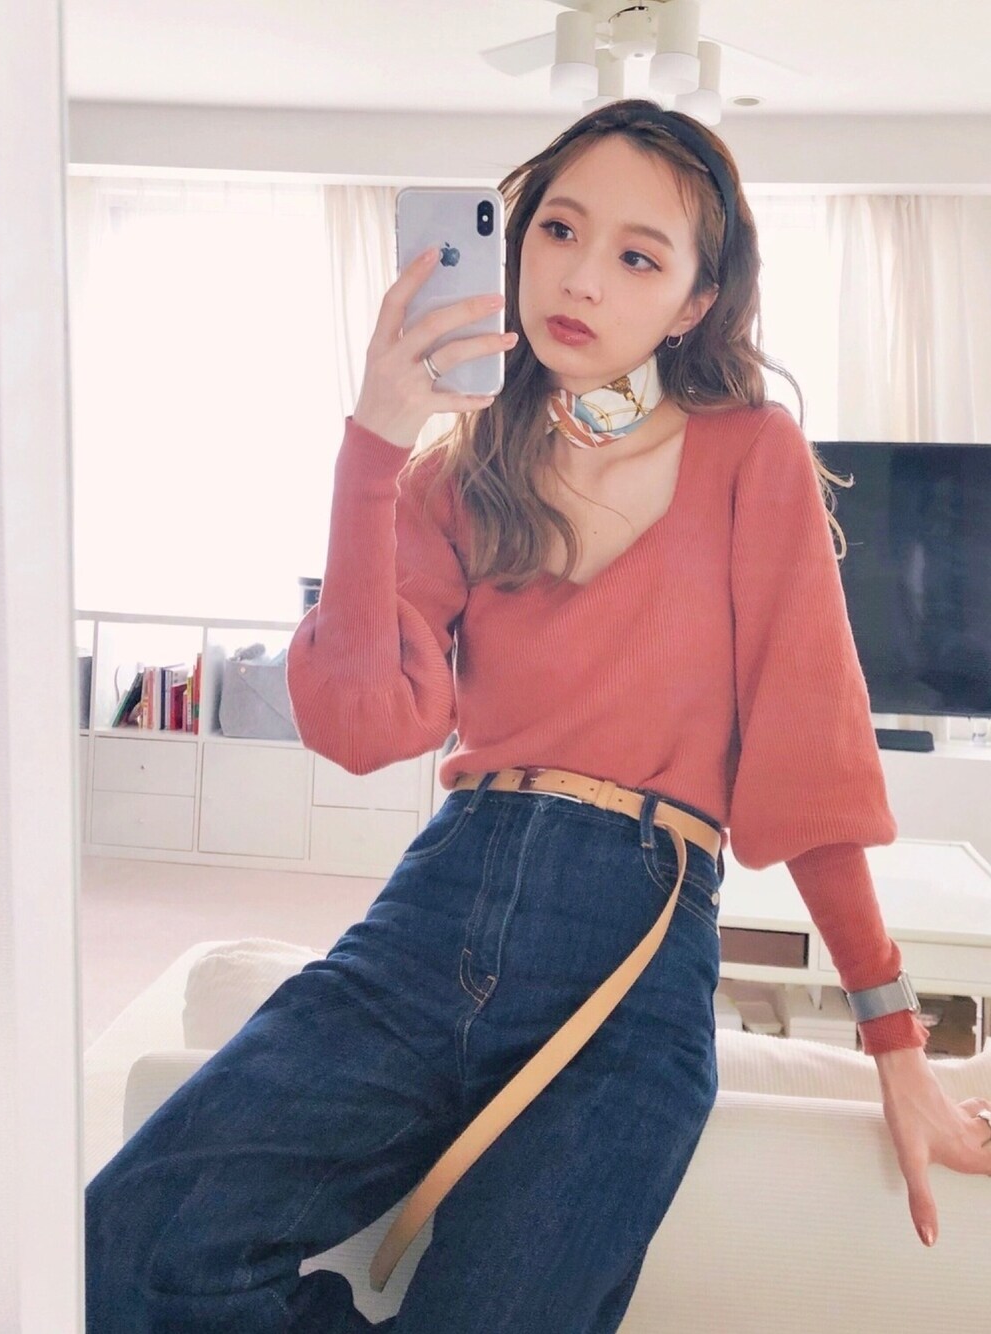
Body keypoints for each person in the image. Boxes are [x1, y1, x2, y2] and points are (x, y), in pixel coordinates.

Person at [85, 98, 991, 1333]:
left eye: (638, 255)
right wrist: (374, 443)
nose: (581, 276)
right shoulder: (453, 476)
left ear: (692, 302)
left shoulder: (751, 454)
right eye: (558, 229)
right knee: (122, 1248)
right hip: (437, 911)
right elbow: (361, 722)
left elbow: (809, 750)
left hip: (638, 946)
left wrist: (893, 1037)